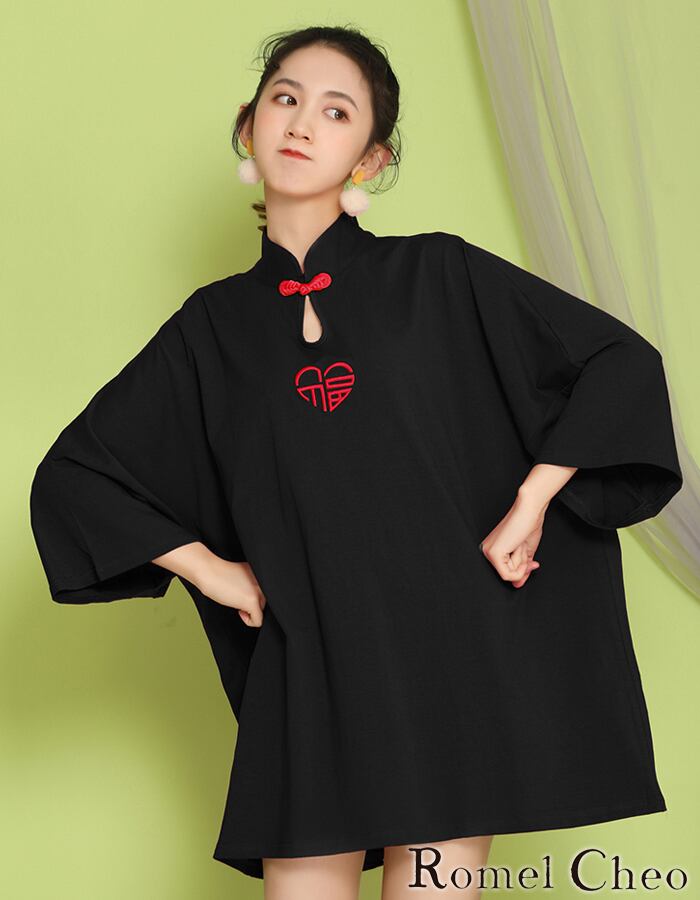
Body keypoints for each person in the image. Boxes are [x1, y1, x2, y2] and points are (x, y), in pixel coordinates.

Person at [29, 25, 682, 900]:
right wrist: (215, 572)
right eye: (285, 98)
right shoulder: (209, 329)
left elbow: (619, 365)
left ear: (371, 159)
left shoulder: (439, 274)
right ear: (248, 125)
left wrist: (531, 502)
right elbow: (76, 475)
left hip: (451, 666)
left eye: (336, 112)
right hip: (308, 674)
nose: (302, 123)